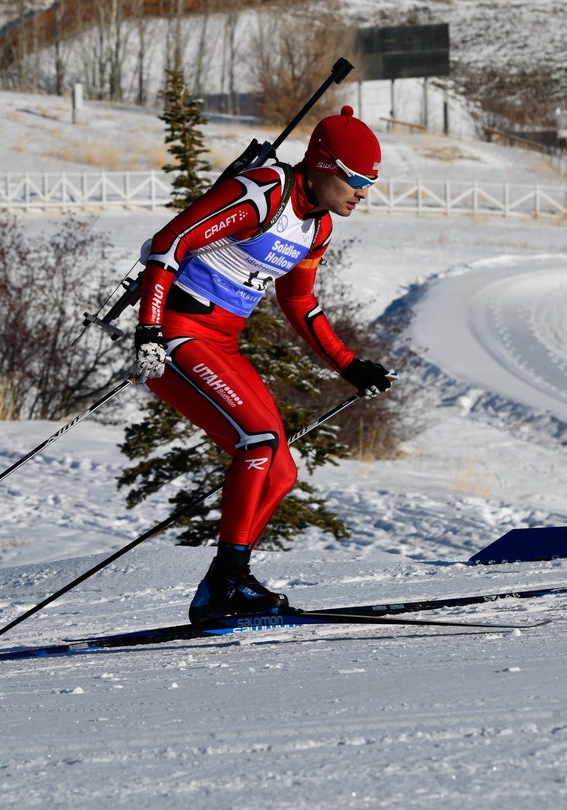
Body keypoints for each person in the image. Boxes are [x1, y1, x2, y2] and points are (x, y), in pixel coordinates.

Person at [131, 104, 393, 624]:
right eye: (357, 179)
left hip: (221, 345)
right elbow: (169, 244)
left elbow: (299, 302)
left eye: (370, 182)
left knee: (281, 469)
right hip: (177, 335)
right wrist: (149, 329)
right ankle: (228, 580)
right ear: (322, 166)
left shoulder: (317, 228)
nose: (363, 192)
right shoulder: (263, 193)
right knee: (260, 441)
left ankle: (220, 589)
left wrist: (349, 365)